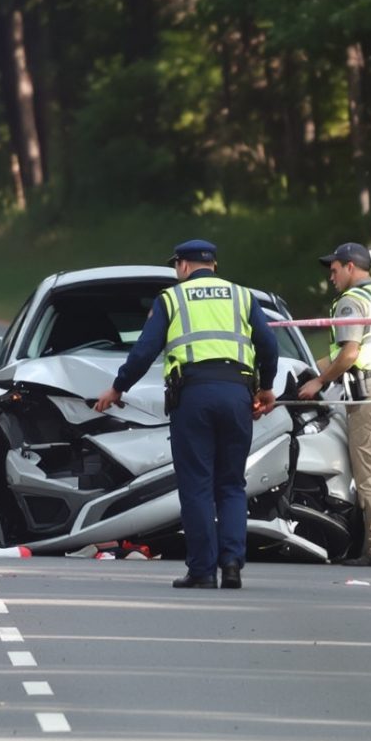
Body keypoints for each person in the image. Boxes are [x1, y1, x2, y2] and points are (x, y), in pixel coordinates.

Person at [92, 240, 281, 589]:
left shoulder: (171, 299)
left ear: (182, 265)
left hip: (193, 396)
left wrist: (118, 387)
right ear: (214, 265)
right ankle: (232, 563)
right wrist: (265, 387)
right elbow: (269, 345)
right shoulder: (242, 296)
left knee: (197, 485)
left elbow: (145, 350)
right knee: (231, 483)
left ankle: (203, 570)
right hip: (237, 395)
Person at [293, 243, 371, 567]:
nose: (331, 277)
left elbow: (350, 353)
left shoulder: (352, 300)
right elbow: (361, 349)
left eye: (334, 270)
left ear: (350, 266)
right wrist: (311, 368)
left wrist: (319, 382)